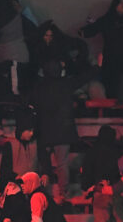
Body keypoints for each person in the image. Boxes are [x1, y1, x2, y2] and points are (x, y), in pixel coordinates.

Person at [27, 58, 98, 199]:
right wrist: (98, 67)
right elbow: (83, 78)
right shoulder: (66, 84)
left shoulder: (39, 87)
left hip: (45, 132)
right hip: (63, 131)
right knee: (62, 163)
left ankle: (42, 193)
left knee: (43, 164)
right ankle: (63, 191)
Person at [79, 125, 123, 222]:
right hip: (116, 189)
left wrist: (88, 187)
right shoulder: (118, 152)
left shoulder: (93, 152)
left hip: (99, 191)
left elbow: (86, 173)